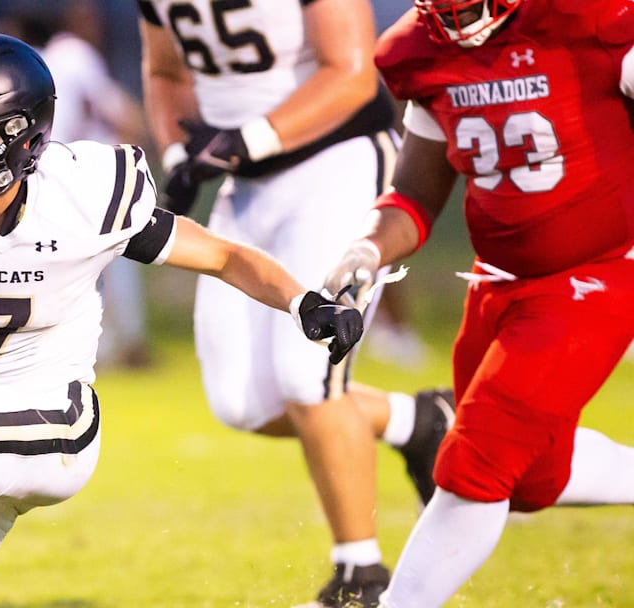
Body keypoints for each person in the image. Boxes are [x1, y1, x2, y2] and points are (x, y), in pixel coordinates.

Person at [0, 32, 366, 608]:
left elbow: (222, 255)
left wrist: (304, 302)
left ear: (20, 141)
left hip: (55, 417)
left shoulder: (80, 195)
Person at [137, 1, 453, 605]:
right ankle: (417, 422)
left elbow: (350, 72)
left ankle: (360, 575)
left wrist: (245, 137)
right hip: (250, 182)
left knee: (307, 373)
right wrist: (178, 151)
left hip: (337, 158)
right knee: (241, 402)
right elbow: (166, 71)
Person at [322, 1, 634, 605]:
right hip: (497, 281)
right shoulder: (417, 49)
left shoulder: (589, 18)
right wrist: (367, 248)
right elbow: (414, 195)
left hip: (596, 274)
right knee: (528, 482)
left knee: (475, 463)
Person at [2, 2, 154, 369]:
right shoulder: (70, 53)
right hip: (88, 169)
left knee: (80, 264)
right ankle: (123, 344)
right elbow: (117, 109)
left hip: (62, 171)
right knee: (113, 259)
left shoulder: (43, 61)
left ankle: (106, 345)